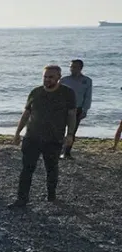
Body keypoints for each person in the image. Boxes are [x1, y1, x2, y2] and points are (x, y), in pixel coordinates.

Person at [8, 65, 77, 208]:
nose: (47, 80)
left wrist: (70, 134)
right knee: (27, 169)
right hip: (32, 137)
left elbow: (71, 115)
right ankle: (22, 199)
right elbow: (26, 113)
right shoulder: (35, 92)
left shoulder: (67, 93)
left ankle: (51, 195)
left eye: (51, 77)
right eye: (45, 77)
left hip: (54, 138)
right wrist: (17, 132)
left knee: (51, 168)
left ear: (59, 77)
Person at [59, 59, 92, 159]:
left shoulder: (87, 81)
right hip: (63, 108)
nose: (72, 69)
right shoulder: (64, 80)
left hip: (77, 109)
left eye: (75, 67)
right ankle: (57, 150)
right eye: (71, 67)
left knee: (72, 131)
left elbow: (88, 97)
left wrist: (85, 110)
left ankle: (67, 152)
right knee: (59, 130)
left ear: (80, 68)